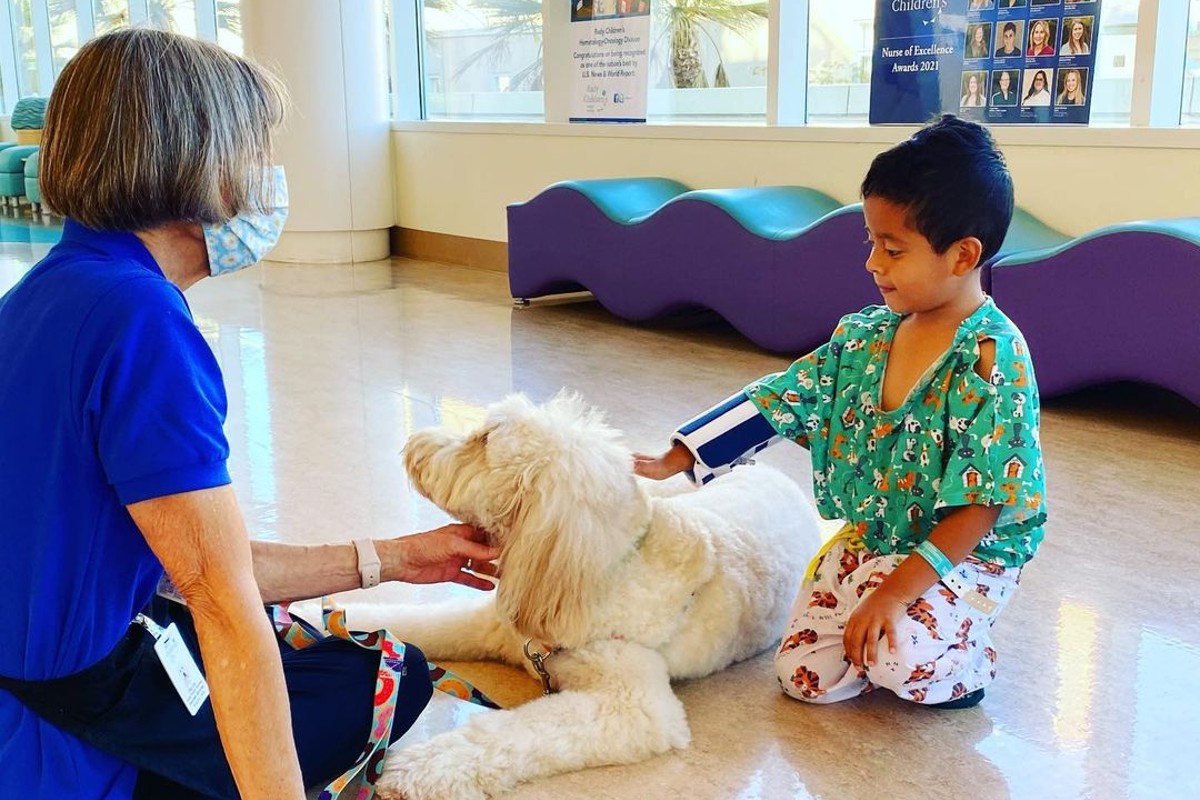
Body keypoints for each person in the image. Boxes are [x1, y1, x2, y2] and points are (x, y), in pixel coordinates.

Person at [0, 28, 501, 800]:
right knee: (387, 679)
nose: (265, 177)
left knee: (313, 654)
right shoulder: (138, 322)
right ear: (198, 165)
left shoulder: (45, 296)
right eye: (254, 151)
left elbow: (199, 554)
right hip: (67, 746)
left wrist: (395, 558)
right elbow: (220, 598)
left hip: (49, 685)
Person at [635, 115, 1046, 710]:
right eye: (871, 242)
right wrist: (677, 457)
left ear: (963, 255)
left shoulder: (990, 357)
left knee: (898, 655)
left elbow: (980, 510)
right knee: (803, 677)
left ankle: (966, 662)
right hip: (872, 540)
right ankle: (876, 608)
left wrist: (894, 595)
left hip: (958, 559)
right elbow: (781, 397)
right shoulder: (863, 339)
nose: (873, 263)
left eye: (893, 248)